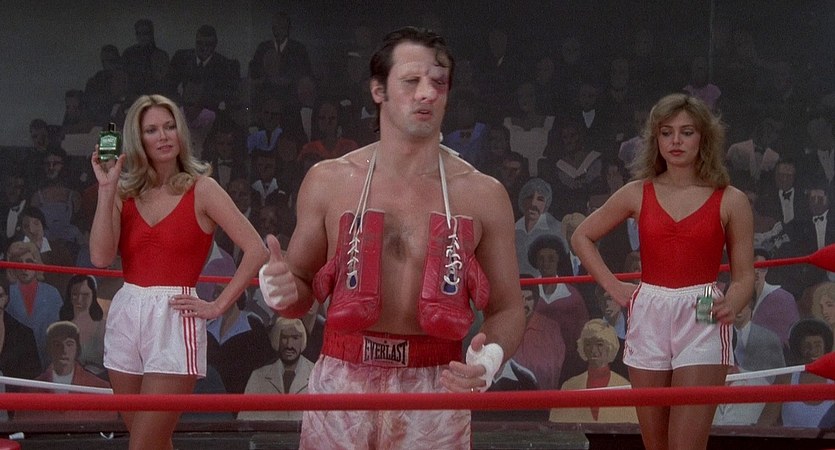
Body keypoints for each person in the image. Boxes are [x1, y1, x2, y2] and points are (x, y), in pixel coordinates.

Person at [258, 27, 524, 449]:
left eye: (439, 82)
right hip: (343, 378)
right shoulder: (329, 182)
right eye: (412, 81)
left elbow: (507, 308)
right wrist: (280, 290)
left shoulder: (482, 195)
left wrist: (489, 359)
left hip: (437, 382)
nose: (427, 93)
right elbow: (302, 290)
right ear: (378, 89)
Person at [570, 93, 754, 450]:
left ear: (703, 138)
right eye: (667, 132)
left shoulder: (731, 199)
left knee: (686, 444)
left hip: (703, 306)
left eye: (686, 132)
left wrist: (733, 302)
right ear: (655, 139)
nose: (676, 141)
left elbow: (744, 275)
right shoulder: (637, 192)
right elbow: (581, 236)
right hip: (650, 306)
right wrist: (614, 286)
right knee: (655, 444)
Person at [89, 94, 268, 449]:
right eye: (152, 130)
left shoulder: (203, 188)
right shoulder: (123, 193)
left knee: (142, 445)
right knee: (152, 442)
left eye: (170, 127)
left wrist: (217, 306)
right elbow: (99, 257)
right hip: (127, 313)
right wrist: (106, 190)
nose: (164, 136)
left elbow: (257, 250)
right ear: (138, 138)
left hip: (174, 316)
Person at [13, 321, 116, 423]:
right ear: (49, 349)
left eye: (69, 344)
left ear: (77, 348)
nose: (64, 350)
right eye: (57, 344)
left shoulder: (100, 389)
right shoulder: (30, 390)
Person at [549, 318, 638, 424]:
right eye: (588, 344)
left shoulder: (625, 387)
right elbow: (556, 426)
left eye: (599, 344)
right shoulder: (569, 387)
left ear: (609, 347)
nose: (593, 350)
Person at [238, 317, 315, 421]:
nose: (289, 345)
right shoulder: (258, 376)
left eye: (295, 338)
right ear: (277, 340)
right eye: (284, 338)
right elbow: (244, 420)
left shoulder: (317, 375)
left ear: (302, 340)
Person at [58, 274, 107, 377]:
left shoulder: (103, 327)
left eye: (85, 295)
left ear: (93, 296)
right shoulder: (59, 327)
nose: (79, 300)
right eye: (75, 294)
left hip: (97, 383)